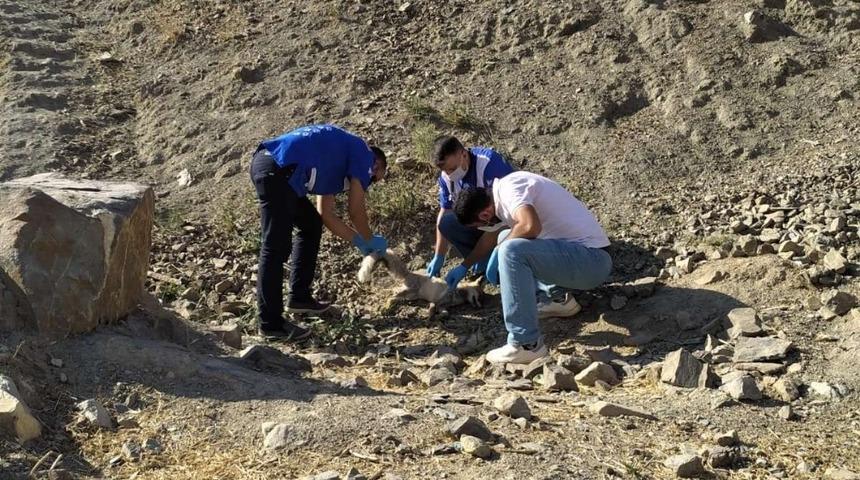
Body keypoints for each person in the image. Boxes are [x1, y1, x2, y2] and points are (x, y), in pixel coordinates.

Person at [450, 172, 612, 364]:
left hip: (592, 262)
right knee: (506, 239)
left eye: (480, 224)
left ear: (485, 214)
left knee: (511, 249)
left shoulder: (510, 190)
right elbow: (496, 236)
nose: (484, 227)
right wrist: (464, 266)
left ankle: (526, 344)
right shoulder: (503, 193)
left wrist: (501, 251)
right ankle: (559, 299)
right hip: (583, 258)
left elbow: (530, 226)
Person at [250, 124, 388, 341]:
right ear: (377, 165)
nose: (367, 183)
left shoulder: (338, 159)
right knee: (275, 247)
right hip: (277, 170)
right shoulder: (365, 155)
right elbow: (355, 210)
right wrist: (370, 238)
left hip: (279, 170)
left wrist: (358, 241)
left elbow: (326, 215)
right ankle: (270, 324)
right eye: (373, 179)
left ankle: (299, 297)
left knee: (311, 224)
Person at [425, 135, 513, 283]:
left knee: (502, 234)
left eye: (452, 169)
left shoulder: (489, 164)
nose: (450, 174)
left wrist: (465, 265)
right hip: (482, 221)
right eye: (445, 170)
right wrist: (439, 255)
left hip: (507, 220)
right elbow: (445, 210)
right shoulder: (447, 177)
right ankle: (483, 261)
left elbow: (509, 212)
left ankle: (501, 262)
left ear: (464, 154)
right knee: (447, 223)